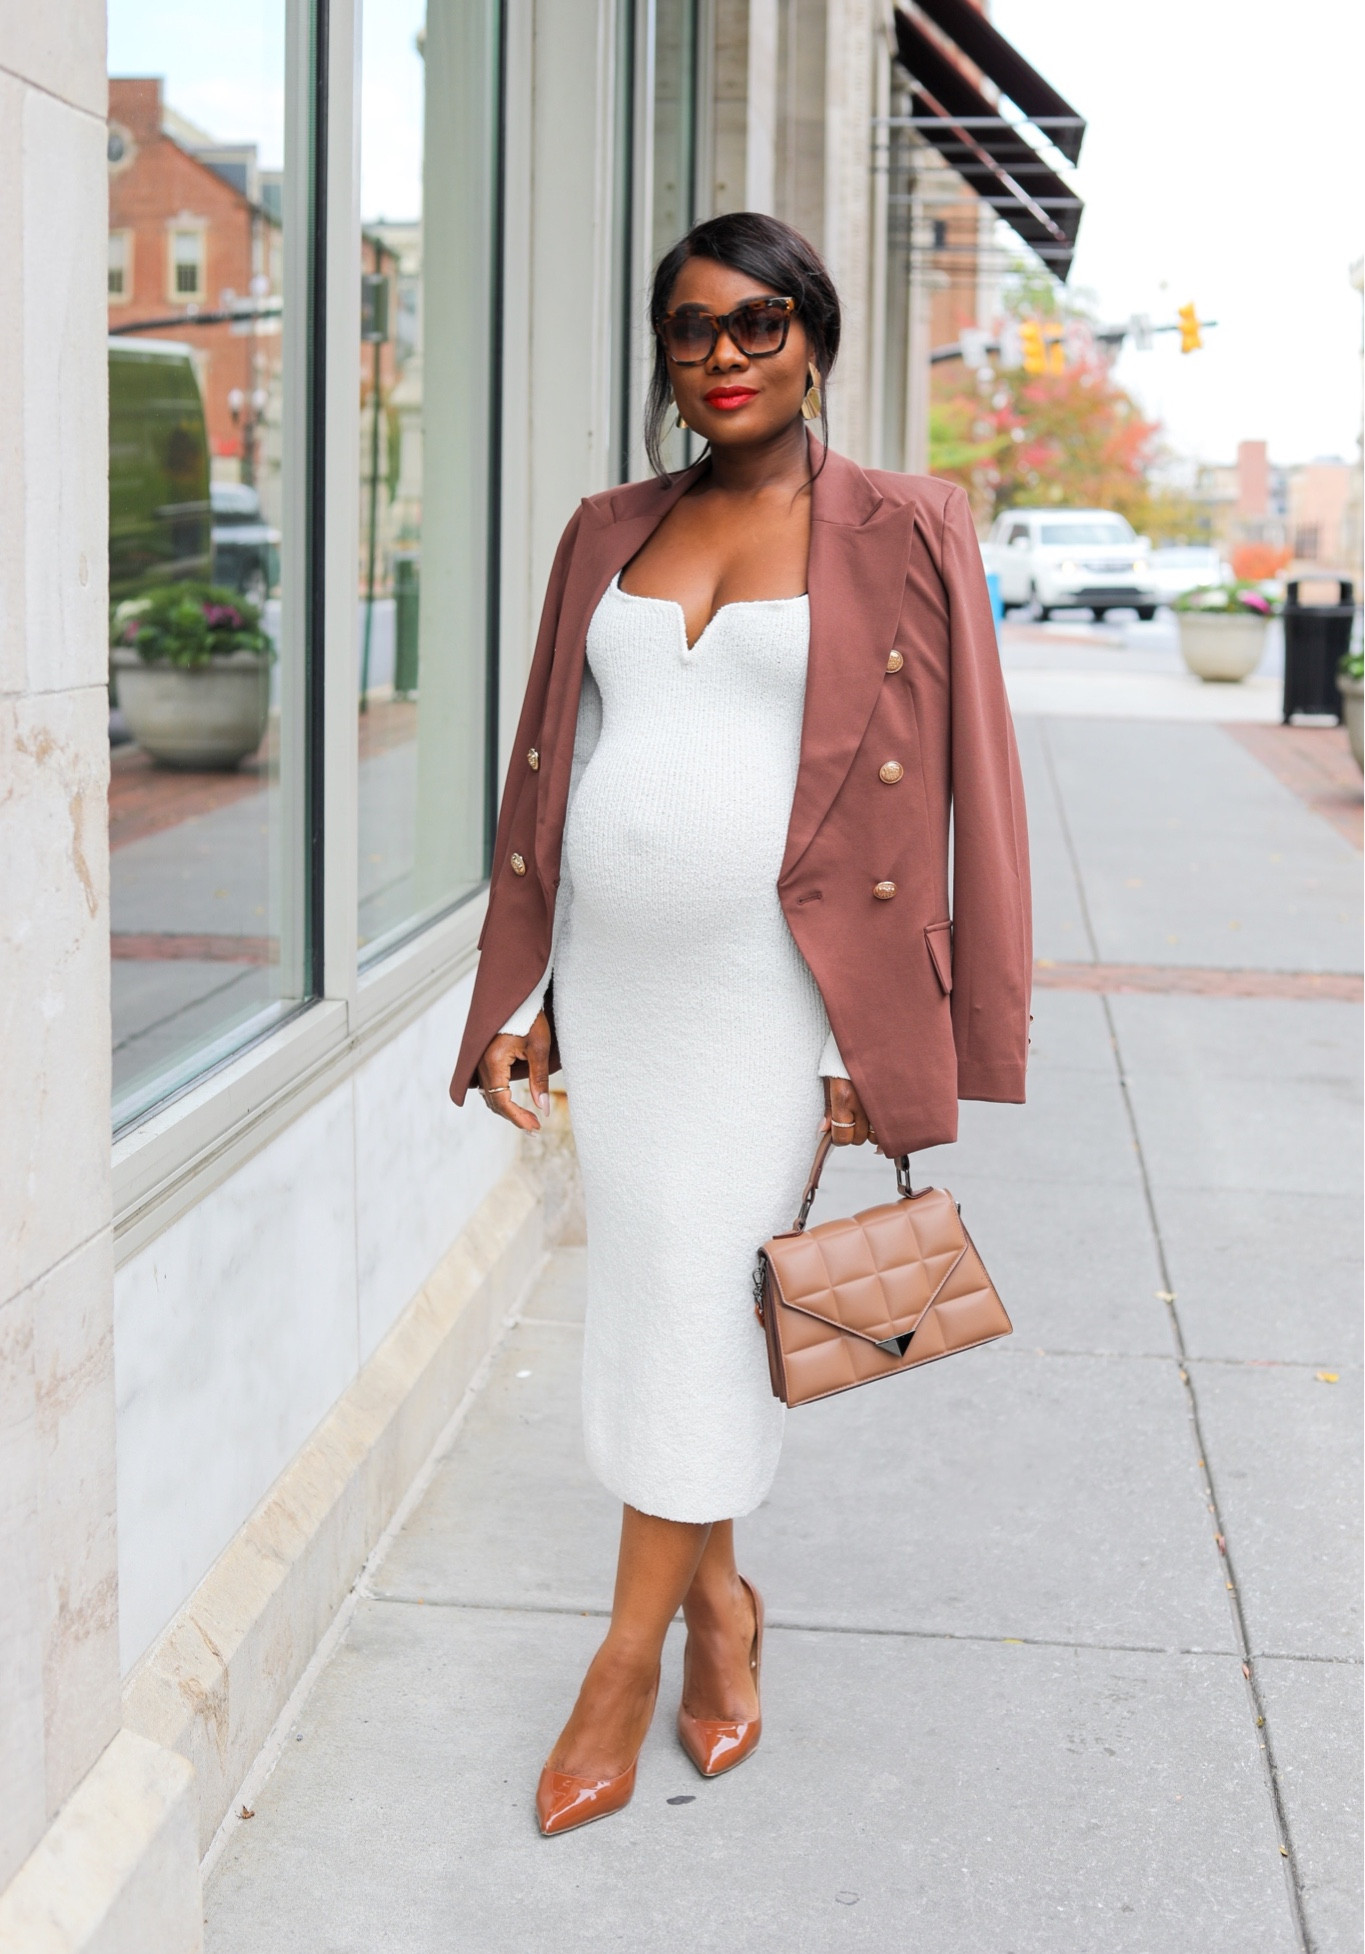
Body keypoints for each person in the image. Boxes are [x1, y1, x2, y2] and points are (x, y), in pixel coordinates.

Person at [449, 211, 1031, 1836]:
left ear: (813, 342)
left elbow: (960, 790)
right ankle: (722, 1607)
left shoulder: (906, 525)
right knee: (668, 1300)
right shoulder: (605, 529)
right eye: (691, 328)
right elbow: (547, 769)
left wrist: (883, 1040)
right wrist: (521, 993)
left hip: (782, 1005)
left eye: (757, 324)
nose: (722, 356)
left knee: (704, 1303)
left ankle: (620, 1659)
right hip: (620, 996)